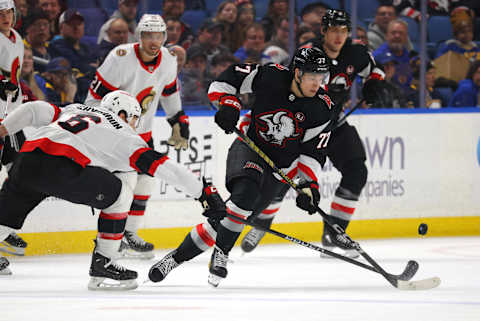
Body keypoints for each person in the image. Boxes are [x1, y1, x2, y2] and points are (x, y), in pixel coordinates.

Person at [148, 47, 338, 287]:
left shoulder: (323, 107)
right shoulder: (270, 76)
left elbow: (313, 152)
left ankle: (173, 259)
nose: (317, 83)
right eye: (313, 77)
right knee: (244, 196)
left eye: (322, 78)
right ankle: (222, 253)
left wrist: (308, 186)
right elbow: (224, 82)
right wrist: (229, 106)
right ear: (297, 73)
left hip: (281, 169)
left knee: (229, 218)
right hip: (249, 146)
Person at [0, 90, 227, 287]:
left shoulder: (75, 108)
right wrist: (202, 191)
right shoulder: (124, 133)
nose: (134, 125)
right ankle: (104, 262)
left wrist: (3, 128)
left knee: (7, 215)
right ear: (122, 114)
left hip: (27, 158)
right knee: (121, 194)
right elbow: (163, 167)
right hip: (61, 166)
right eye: (134, 118)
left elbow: (33, 109)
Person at [240, 9, 386, 257]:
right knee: (286, 177)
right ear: (324, 31)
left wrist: (373, 83)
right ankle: (263, 223)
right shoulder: (309, 54)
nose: (339, 36)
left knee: (356, 170)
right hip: (303, 126)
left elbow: (376, 70)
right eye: (333, 30)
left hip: (334, 124)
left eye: (343, 31)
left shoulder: (357, 53)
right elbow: (286, 83)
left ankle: (334, 234)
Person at [85, 14, 189, 259]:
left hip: (142, 135)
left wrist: (179, 120)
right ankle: (109, 239)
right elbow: (93, 98)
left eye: (158, 35)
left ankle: (128, 235)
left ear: (165, 37)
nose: (154, 41)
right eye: (148, 35)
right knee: (121, 189)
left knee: (145, 182)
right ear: (139, 37)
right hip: (113, 135)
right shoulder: (120, 57)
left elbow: (170, 92)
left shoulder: (169, 60)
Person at [0, 0, 29, 257]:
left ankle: (4, 228)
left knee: (20, 171)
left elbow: (13, 77)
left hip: (11, 119)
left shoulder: (16, 38)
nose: (5, 17)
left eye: (8, 12)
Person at [373, 19, 412, 91]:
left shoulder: (410, 57)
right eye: (393, 33)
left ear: (406, 37)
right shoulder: (377, 57)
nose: (397, 36)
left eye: (401, 33)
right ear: (387, 35)